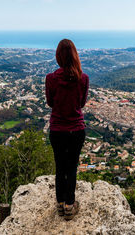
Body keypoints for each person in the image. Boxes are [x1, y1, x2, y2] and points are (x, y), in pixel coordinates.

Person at [45, 39, 89, 221]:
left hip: (57, 130)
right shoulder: (83, 78)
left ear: (58, 57)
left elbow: (50, 103)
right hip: (76, 130)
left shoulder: (51, 79)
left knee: (60, 166)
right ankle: (70, 205)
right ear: (75, 56)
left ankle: (60, 204)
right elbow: (82, 103)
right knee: (71, 168)